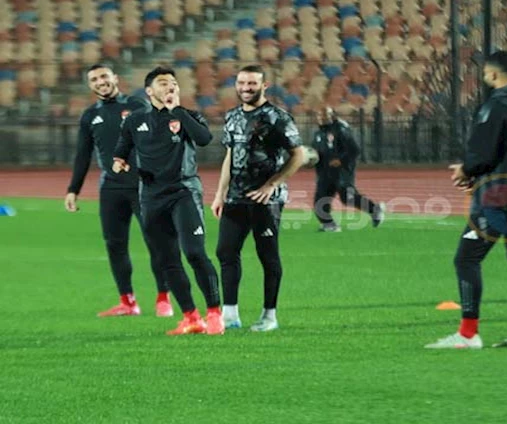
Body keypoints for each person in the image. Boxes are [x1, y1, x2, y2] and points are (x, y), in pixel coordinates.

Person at [425, 51, 507, 349]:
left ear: (493, 74)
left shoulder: (496, 106)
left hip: (497, 198)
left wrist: (466, 170)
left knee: (466, 258)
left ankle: (468, 335)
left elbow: (483, 154)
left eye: (485, 74)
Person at [112, 66, 223, 335]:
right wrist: (119, 163)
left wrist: (177, 111)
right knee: (167, 259)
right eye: (163, 83)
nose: (171, 86)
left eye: (173, 82)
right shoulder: (134, 121)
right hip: (151, 198)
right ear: (149, 91)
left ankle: (214, 314)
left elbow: (204, 139)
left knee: (194, 253)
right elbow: (121, 151)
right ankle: (191, 317)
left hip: (183, 192)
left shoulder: (187, 116)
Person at [64, 63, 173, 318]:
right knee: (114, 244)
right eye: (94, 79)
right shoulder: (90, 115)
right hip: (111, 188)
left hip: (143, 185)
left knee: (156, 241)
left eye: (104, 76)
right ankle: (128, 302)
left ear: (115, 78)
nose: (100, 82)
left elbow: (159, 140)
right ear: (90, 85)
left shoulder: (137, 105)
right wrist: (73, 190)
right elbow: (83, 155)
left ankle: (163, 297)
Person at [211, 65, 305, 332]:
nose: (246, 88)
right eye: (241, 83)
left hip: (266, 200)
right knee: (226, 252)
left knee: (267, 255)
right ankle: (230, 315)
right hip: (236, 197)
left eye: (252, 83)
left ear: (264, 86)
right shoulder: (232, 116)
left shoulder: (278, 118)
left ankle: (269, 316)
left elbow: (298, 155)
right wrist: (220, 194)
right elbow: (230, 155)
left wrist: (271, 185)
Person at [312, 106, 384, 232]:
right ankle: (329, 224)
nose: (322, 118)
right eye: (320, 115)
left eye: (325, 115)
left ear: (332, 116)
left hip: (341, 172)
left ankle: (374, 209)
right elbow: (317, 152)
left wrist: (341, 160)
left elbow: (354, 149)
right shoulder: (318, 133)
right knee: (320, 200)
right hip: (325, 172)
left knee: (348, 197)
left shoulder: (340, 129)